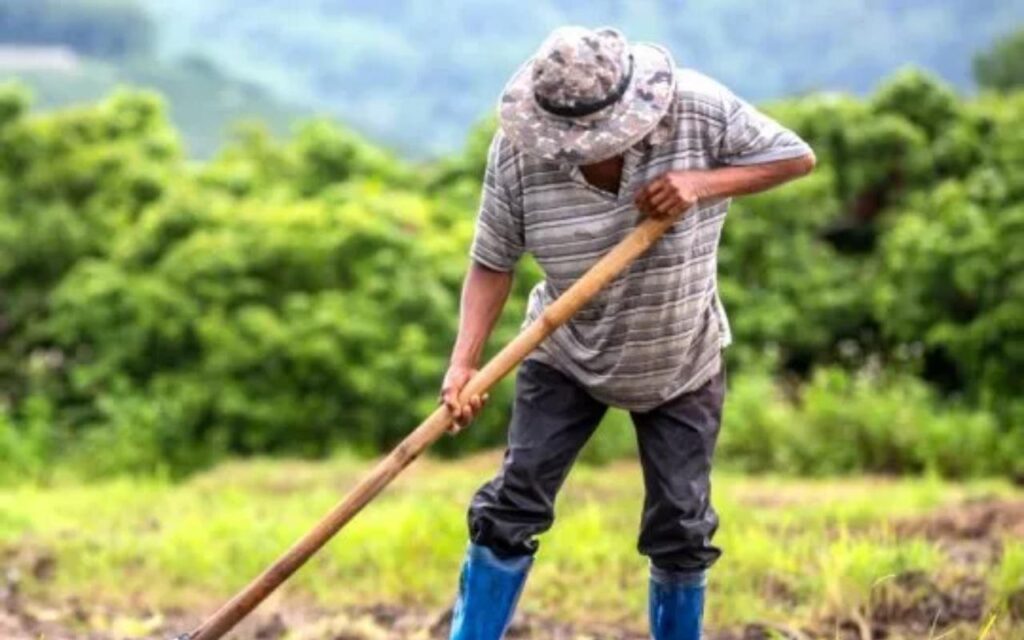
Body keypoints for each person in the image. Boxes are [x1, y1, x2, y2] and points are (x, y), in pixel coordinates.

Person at [441, 26, 815, 640]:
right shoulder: (517, 152)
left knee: (681, 526)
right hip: (563, 350)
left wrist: (701, 184)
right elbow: (492, 261)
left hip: (680, 357)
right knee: (512, 506)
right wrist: (464, 365)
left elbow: (794, 157)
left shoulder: (695, 108)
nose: (576, 148)